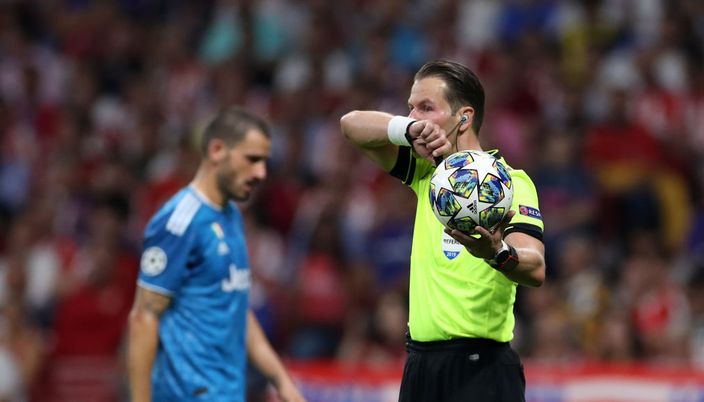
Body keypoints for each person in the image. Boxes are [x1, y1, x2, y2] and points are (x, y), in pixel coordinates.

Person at [340, 59, 546, 402]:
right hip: (420, 367)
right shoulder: (428, 173)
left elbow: (535, 267)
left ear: (463, 117)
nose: (414, 117)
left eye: (426, 108)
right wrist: (405, 131)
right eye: (410, 108)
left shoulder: (509, 183)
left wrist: (497, 254)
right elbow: (351, 125)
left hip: (481, 368)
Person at [127, 106, 305, 402]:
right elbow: (143, 318)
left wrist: (282, 382)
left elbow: (236, 306)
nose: (261, 173)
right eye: (252, 160)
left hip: (227, 392)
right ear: (217, 150)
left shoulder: (231, 215)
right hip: (185, 394)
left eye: (264, 162)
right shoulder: (179, 222)